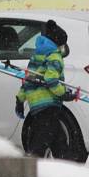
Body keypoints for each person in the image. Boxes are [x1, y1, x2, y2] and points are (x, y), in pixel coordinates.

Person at [15, 20, 73, 158]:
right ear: (59, 44)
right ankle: (33, 169)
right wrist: (63, 93)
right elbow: (51, 80)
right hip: (48, 104)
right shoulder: (55, 57)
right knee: (40, 142)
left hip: (37, 105)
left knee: (58, 140)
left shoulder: (37, 55)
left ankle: (65, 166)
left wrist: (19, 99)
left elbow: (28, 79)